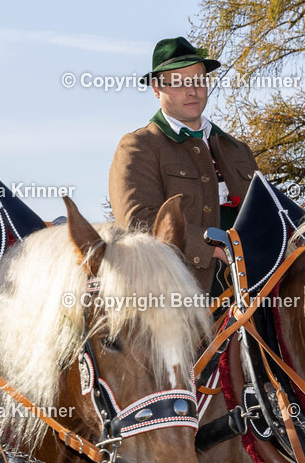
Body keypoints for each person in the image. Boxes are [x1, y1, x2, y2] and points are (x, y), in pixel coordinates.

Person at [109, 36, 259, 293]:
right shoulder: (138, 146)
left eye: (198, 81)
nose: (192, 90)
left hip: (258, 282)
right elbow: (138, 222)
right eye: (179, 82)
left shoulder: (238, 149)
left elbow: (265, 211)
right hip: (181, 293)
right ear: (156, 89)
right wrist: (212, 248)